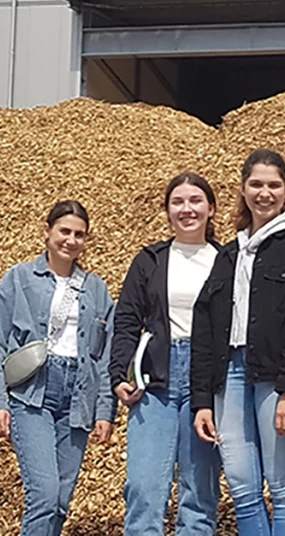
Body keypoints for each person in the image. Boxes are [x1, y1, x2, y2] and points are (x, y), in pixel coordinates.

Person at [190, 149, 285, 536]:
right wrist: (202, 400)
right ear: (243, 189)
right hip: (230, 373)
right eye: (256, 184)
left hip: (276, 374)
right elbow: (206, 327)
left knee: (282, 484)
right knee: (242, 487)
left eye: (273, 185)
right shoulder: (231, 252)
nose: (264, 193)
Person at [0, 200, 116, 536]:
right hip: (33, 394)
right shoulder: (19, 279)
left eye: (80, 235)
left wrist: (105, 410)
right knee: (43, 494)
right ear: (47, 232)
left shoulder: (96, 289)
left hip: (79, 397)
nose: (71, 240)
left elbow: (105, 356)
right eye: (64, 231)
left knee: (60, 500)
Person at [110, 173, 222, 535]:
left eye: (195, 201)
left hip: (206, 382)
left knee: (199, 491)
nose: (186, 209)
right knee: (144, 488)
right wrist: (120, 376)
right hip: (154, 380)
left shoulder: (227, 259)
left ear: (211, 209)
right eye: (178, 202)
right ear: (167, 211)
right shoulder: (150, 260)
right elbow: (126, 320)